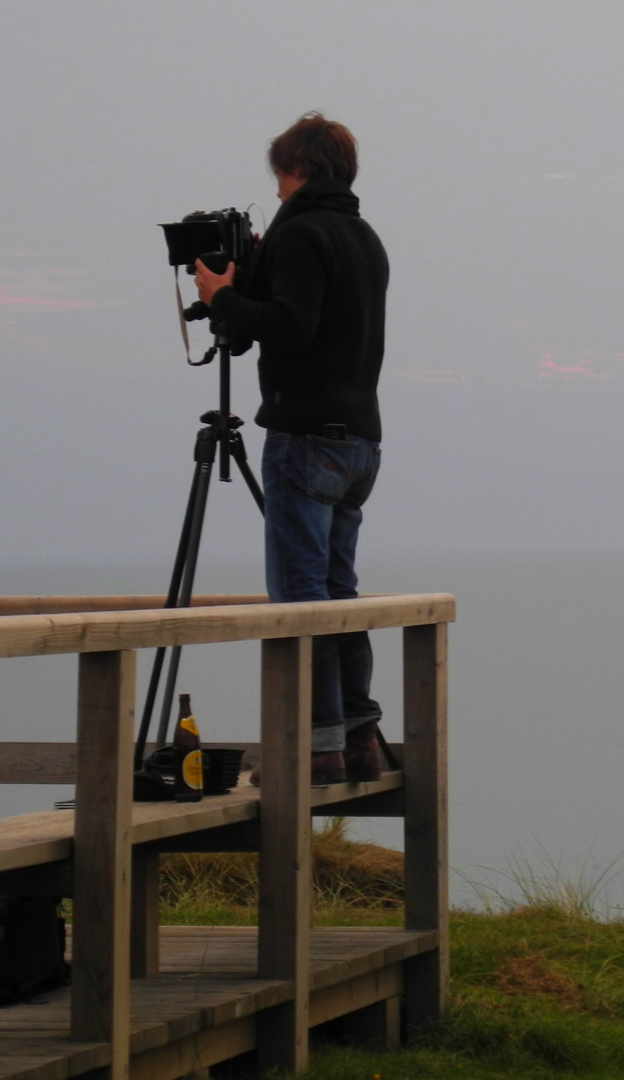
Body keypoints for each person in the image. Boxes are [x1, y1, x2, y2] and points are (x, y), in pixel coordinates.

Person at [194, 112, 388, 785]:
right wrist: (249, 283)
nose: (274, 192)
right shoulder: (363, 236)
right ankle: (359, 739)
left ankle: (316, 751)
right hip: (359, 441)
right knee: (338, 593)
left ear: (296, 168)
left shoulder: (302, 232)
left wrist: (221, 296)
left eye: (278, 176)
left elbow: (291, 327)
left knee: (301, 598)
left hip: (304, 439)